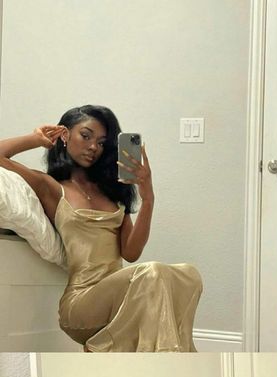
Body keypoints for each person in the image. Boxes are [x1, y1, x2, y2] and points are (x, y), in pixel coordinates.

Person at [0, 105, 202, 352]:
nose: (93, 147)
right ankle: (166, 362)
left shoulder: (113, 193)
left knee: (189, 276)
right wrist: (35, 139)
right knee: (152, 273)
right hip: (81, 302)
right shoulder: (51, 187)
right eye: (86, 136)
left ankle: (141, 357)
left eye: (101, 142)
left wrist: (148, 198)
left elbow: (131, 253)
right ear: (65, 135)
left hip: (122, 296)